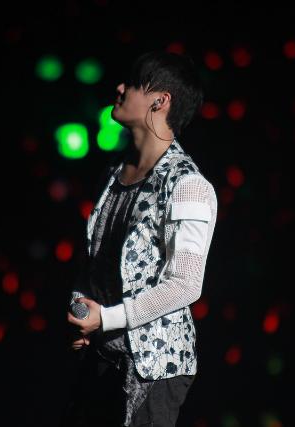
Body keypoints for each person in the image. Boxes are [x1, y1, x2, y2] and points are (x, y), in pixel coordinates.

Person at [63, 50, 218, 427]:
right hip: (101, 357)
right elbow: (95, 262)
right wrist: (81, 311)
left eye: (132, 84)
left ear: (160, 101)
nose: (119, 88)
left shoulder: (187, 184)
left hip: (152, 368)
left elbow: (185, 285)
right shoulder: (112, 175)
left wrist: (107, 318)